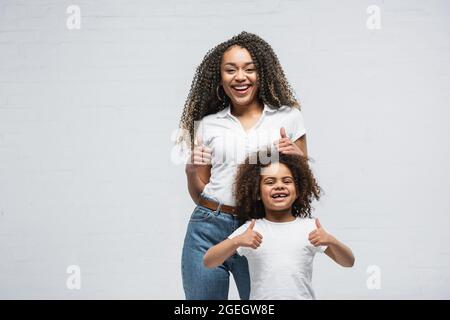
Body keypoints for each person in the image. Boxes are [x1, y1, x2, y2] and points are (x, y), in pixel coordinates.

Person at [177, 31, 309, 300]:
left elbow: (301, 189)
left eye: (249, 69)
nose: (240, 77)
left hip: (260, 229)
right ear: (220, 78)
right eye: (230, 70)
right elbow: (198, 193)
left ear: (262, 73)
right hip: (208, 228)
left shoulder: (289, 118)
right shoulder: (208, 124)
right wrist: (191, 171)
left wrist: (298, 161)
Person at [203, 151, 355, 300]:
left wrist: (330, 240)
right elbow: (209, 261)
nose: (279, 186)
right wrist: (237, 241)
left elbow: (348, 262)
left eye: (287, 181)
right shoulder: (252, 229)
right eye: (270, 182)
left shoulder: (310, 228)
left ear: (298, 190)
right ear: (257, 192)